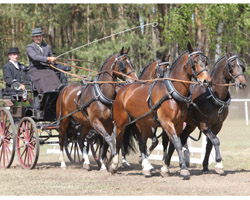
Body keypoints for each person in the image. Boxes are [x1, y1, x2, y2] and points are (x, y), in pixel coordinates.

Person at [26, 27, 68, 94]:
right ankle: (46, 93)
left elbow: (51, 56)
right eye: (36, 36)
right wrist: (47, 59)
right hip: (35, 69)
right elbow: (35, 57)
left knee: (53, 73)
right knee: (46, 74)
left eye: (39, 36)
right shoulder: (30, 47)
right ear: (33, 37)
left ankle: (59, 89)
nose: (38, 38)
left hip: (47, 68)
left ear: (42, 36)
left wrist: (52, 60)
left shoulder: (47, 46)